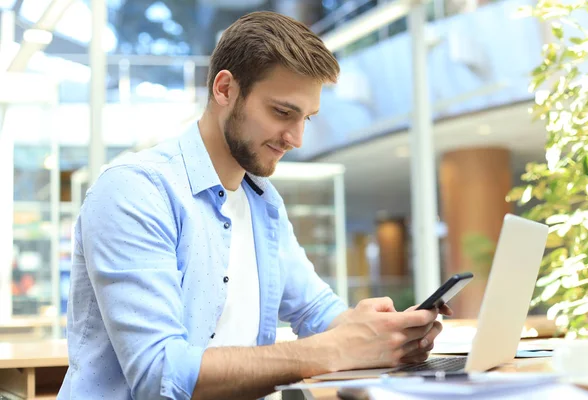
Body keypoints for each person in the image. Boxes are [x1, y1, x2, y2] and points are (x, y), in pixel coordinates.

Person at [58, 11, 451, 400]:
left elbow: (316, 311)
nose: (296, 138)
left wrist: (390, 333)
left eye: (307, 119)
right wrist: (336, 349)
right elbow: (159, 373)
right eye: (282, 112)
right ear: (225, 89)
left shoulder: (262, 201)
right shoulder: (134, 191)